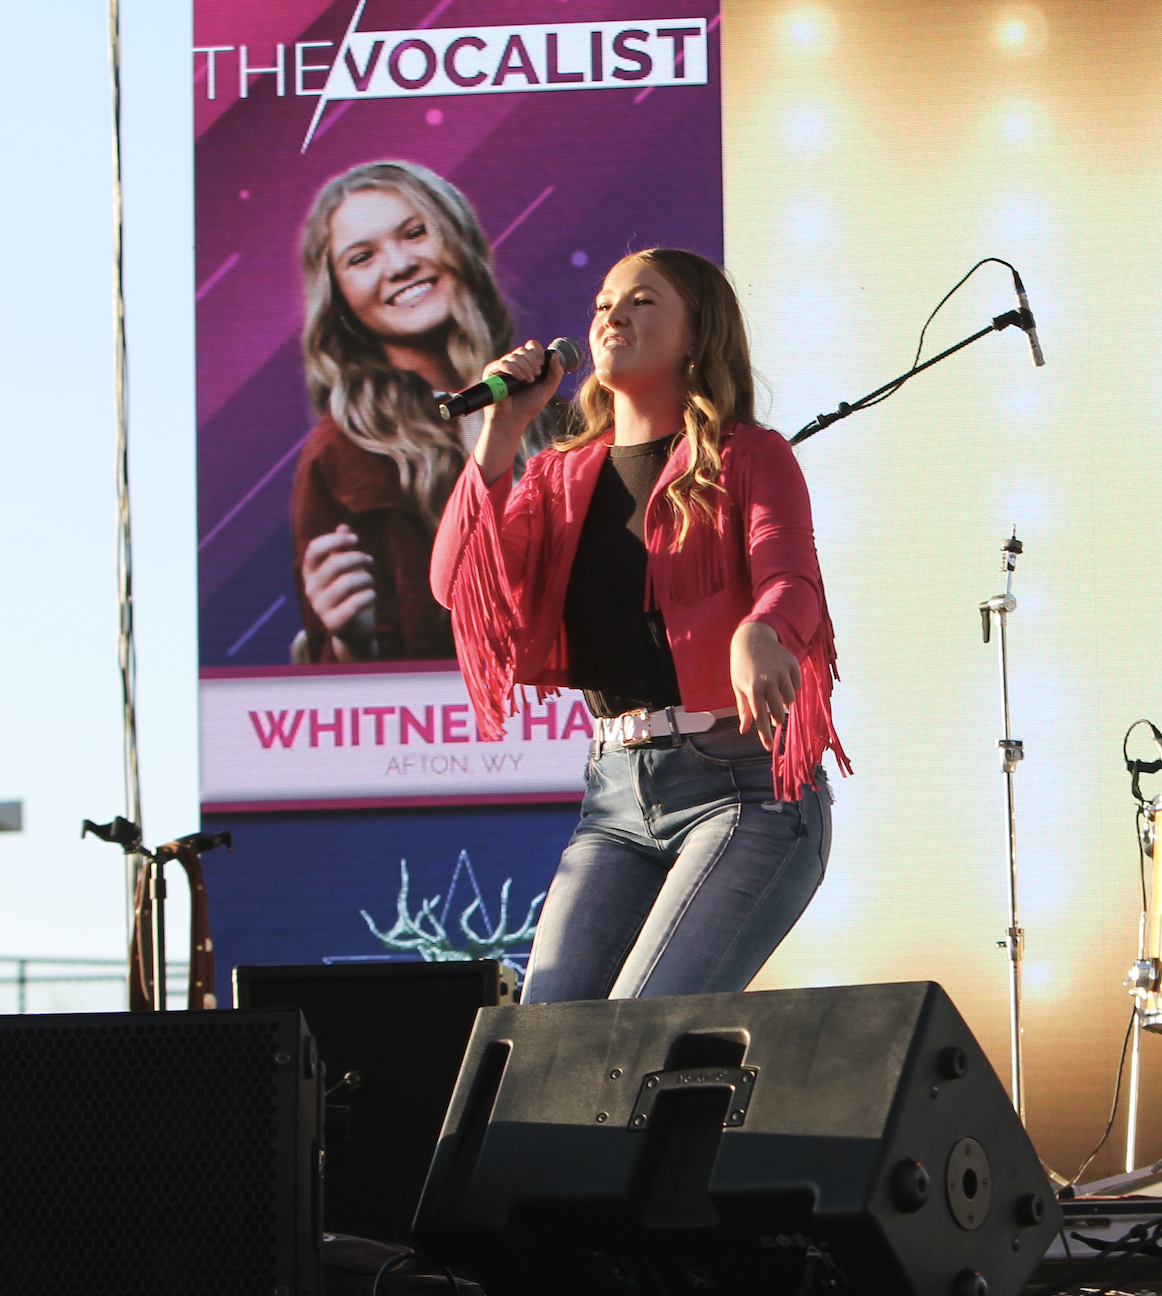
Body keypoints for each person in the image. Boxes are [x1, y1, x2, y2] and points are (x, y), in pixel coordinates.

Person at [431, 248, 851, 1003]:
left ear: (697, 336)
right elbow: (459, 584)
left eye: (642, 300)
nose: (611, 315)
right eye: (602, 303)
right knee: (547, 1042)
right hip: (615, 794)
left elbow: (792, 580)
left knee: (641, 1024)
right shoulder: (557, 476)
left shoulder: (748, 456)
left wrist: (762, 631)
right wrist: (501, 428)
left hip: (745, 786)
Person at [291, 160, 545, 664]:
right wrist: (348, 640)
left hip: (568, 703)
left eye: (414, 233)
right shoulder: (339, 457)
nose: (399, 265)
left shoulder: (556, 414)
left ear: (458, 239)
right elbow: (336, 687)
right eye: (361, 258)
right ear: (337, 296)